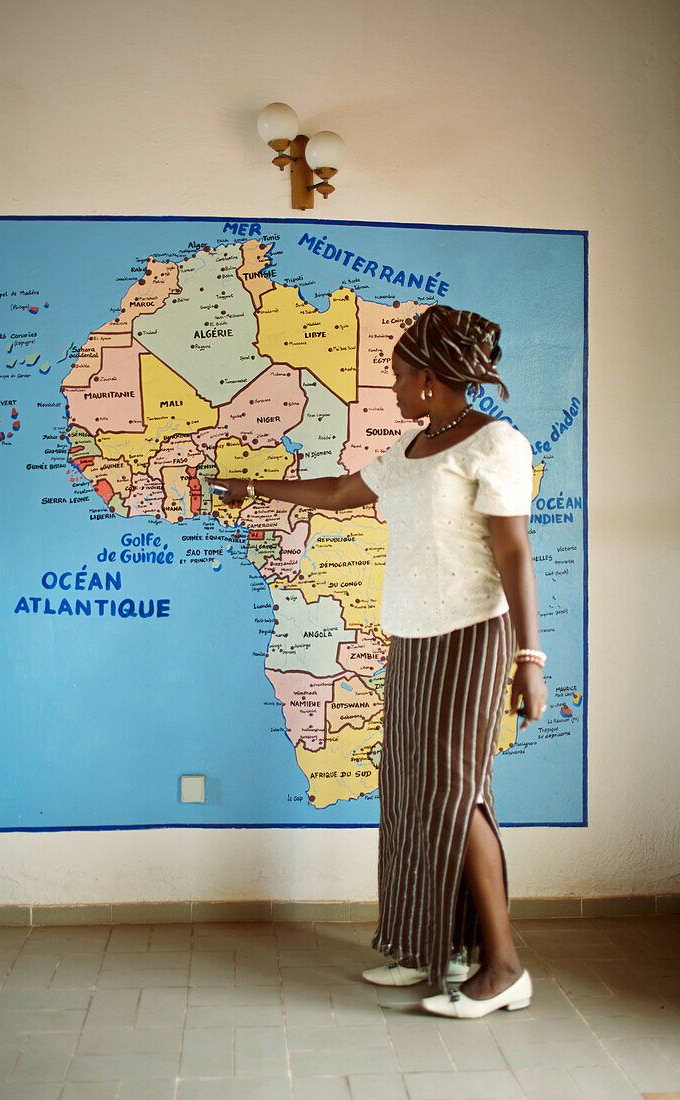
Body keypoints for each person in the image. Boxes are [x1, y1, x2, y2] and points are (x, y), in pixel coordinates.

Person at [214, 303, 547, 1020]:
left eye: (397, 377)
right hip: (414, 637)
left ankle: (504, 966)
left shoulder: (494, 445)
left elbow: (514, 551)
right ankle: (437, 949)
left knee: (457, 796)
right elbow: (338, 494)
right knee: (410, 794)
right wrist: (252, 488)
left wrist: (530, 658)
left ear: (429, 379)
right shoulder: (412, 448)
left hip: (469, 639)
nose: (391, 390)